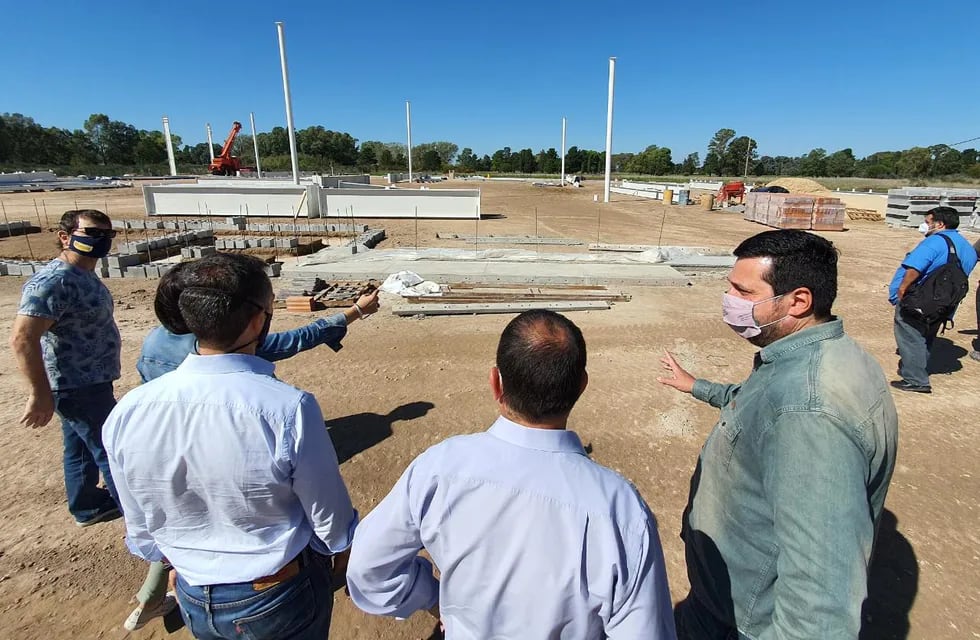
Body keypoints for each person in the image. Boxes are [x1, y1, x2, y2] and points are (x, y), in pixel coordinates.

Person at [347, 310, 676, 639]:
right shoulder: (621, 510)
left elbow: (368, 568)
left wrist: (433, 598)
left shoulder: (440, 468)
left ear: (495, 382)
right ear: (581, 385)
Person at [104, 253, 358, 640]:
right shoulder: (288, 408)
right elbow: (329, 517)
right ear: (259, 320)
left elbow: (140, 525)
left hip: (191, 590)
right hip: (275, 590)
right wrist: (340, 547)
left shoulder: (130, 410)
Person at [659, 229, 898, 639]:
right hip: (727, 595)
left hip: (741, 620)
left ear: (798, 301)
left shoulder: (807, 412)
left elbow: (820, 607)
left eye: (743, 291)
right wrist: (698, 386)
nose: (729, 300)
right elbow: (755, 408)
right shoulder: (824, 358)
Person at [9, 209, 122, 527]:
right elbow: (22, 339)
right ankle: (140, 524)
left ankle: (87, 506)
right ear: (65, 236)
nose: (100, 241)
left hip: (92, 380)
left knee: (79, 447)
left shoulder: (83, 274)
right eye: (92, 234)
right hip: (76, 384)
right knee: (110, 449)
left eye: (106, 235)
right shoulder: (53, 281)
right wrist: (39, 393)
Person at [888, 206, 978, 392]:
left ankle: (915, 379)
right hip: (944, 303)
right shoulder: (966, 247)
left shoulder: (935, 242)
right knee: (926, 335)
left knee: (910, 335)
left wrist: (902, 290)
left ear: (940, 224)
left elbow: (914, 268)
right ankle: (917, 368)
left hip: (919, 299)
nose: (924, 225)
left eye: (928, 222)